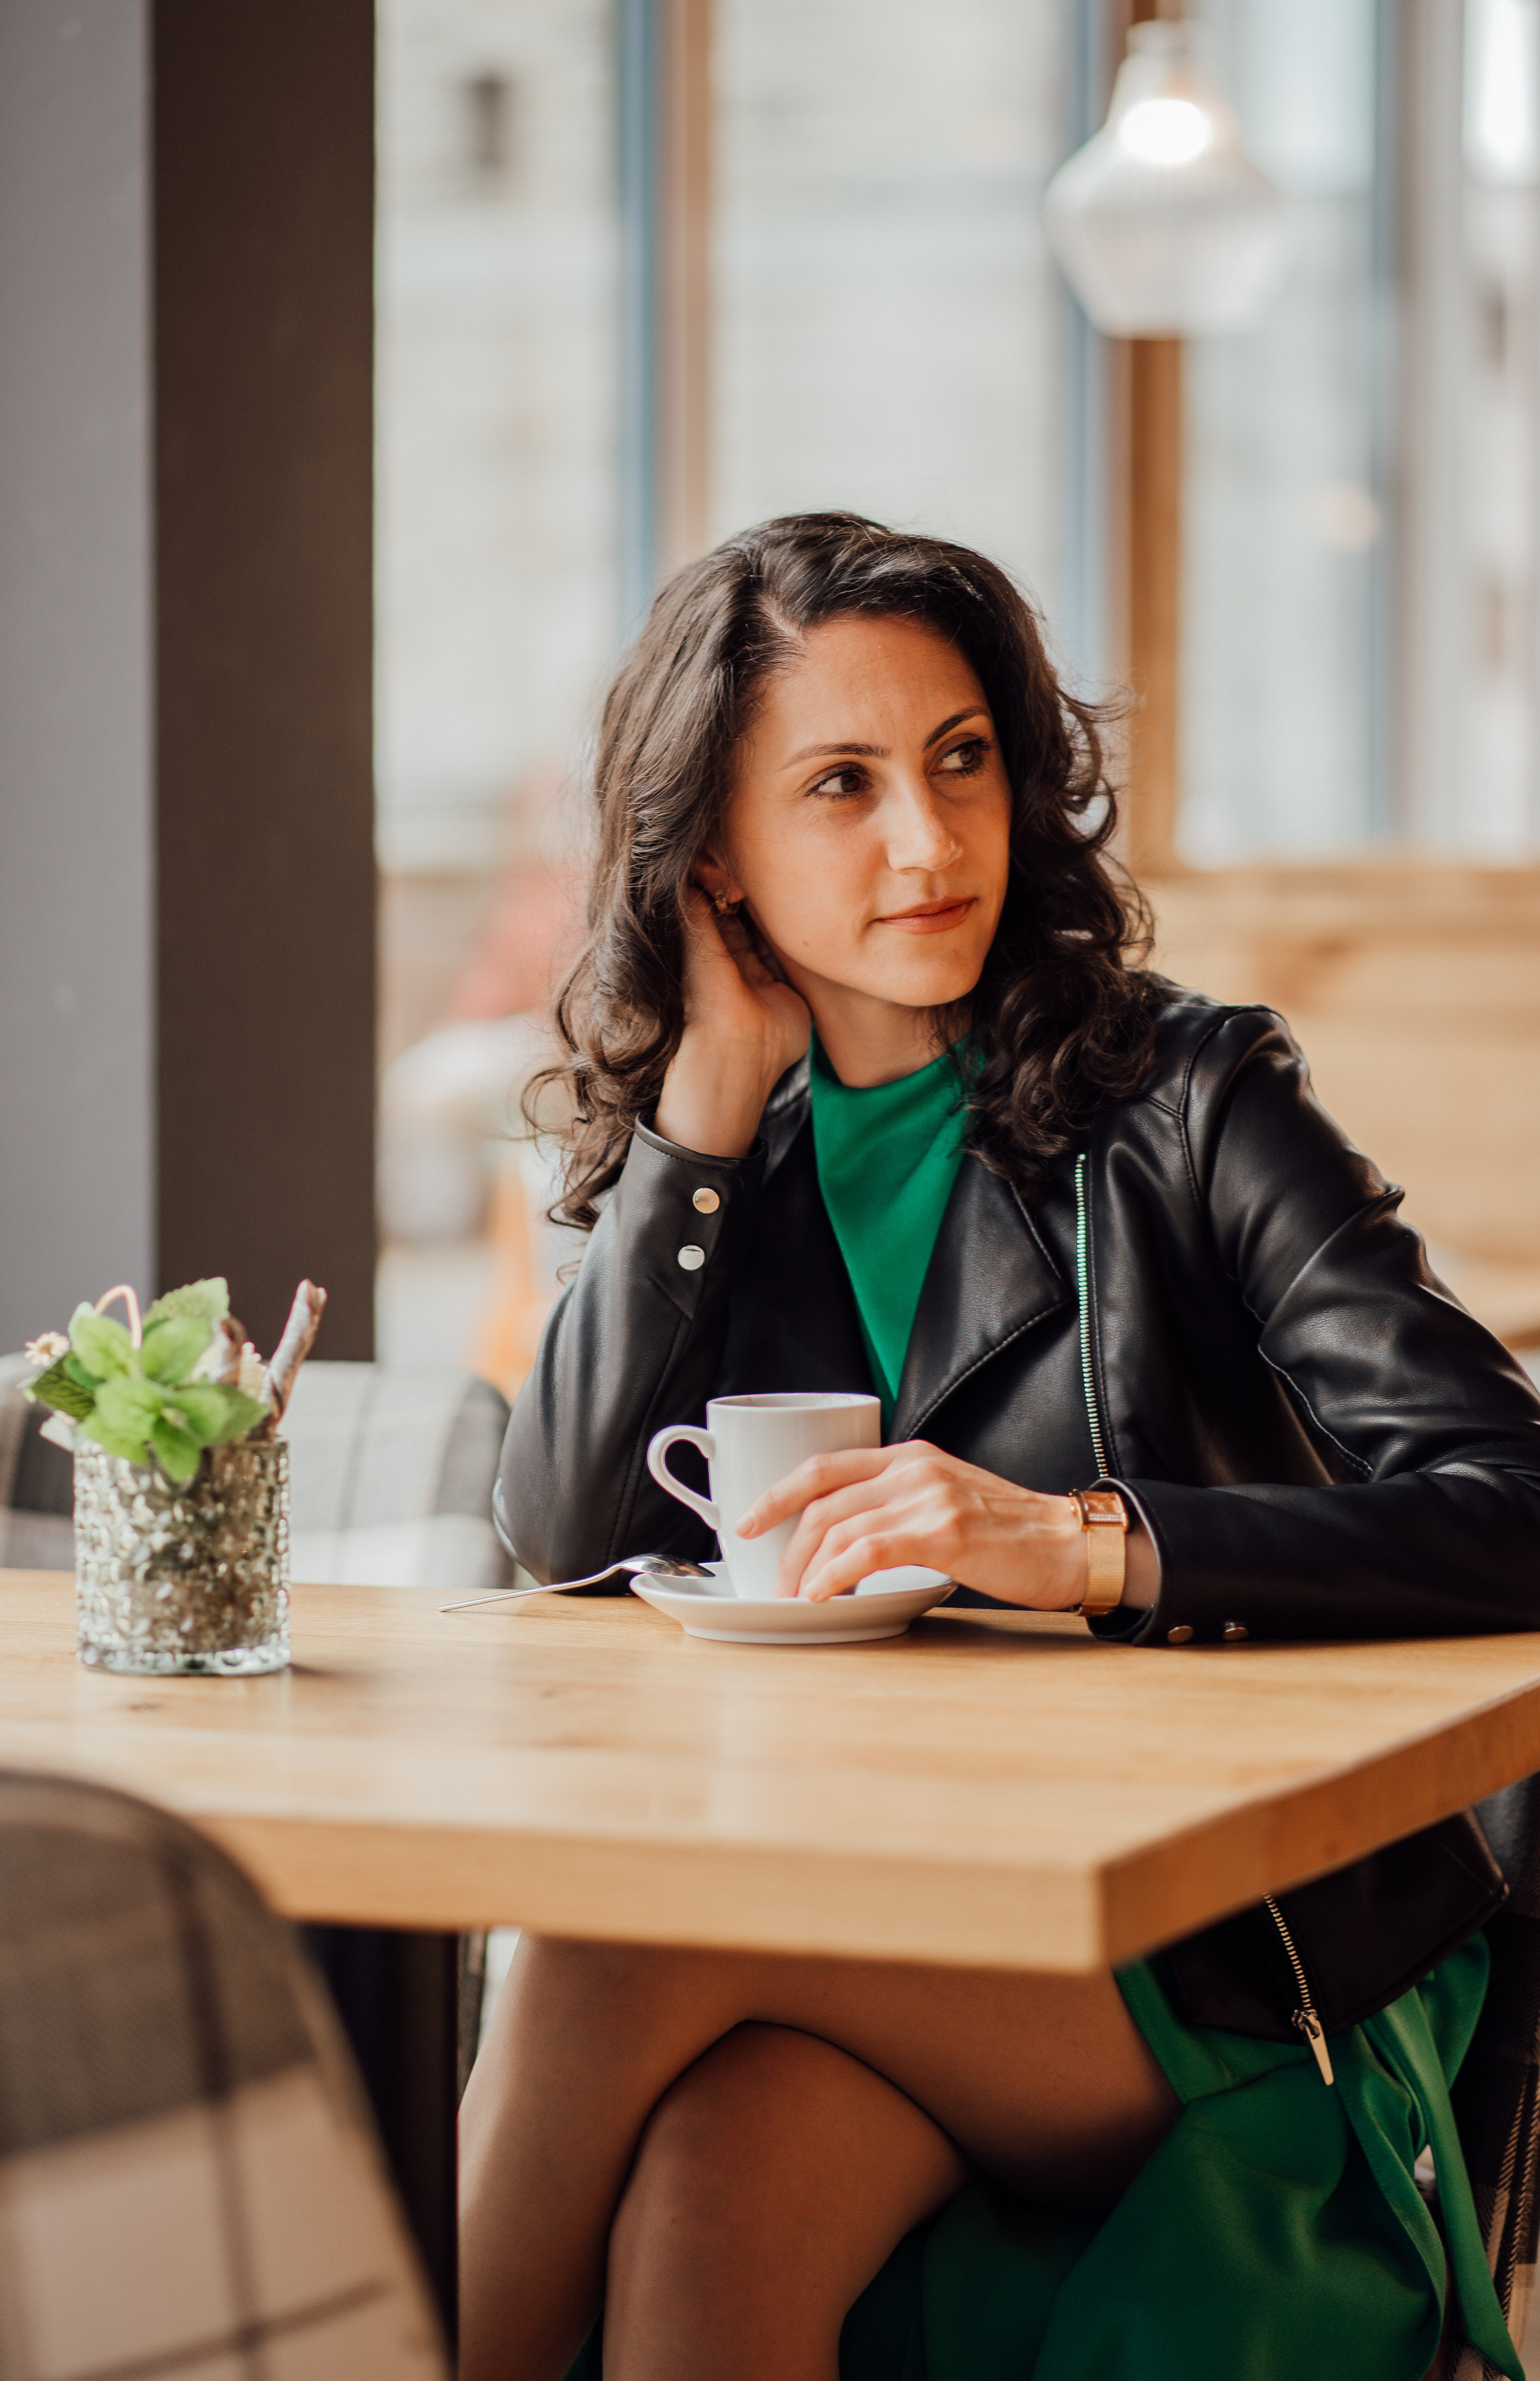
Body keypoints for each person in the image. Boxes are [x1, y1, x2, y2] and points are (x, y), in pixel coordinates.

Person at [461, 513, 1540, 2381]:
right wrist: (702, 1116)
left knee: (609, 1946)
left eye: (962, 762)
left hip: (1238, 1958)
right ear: (714, 855)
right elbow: (557, 1542)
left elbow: (1516, 1498)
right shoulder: (738, 1170)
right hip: (909, 1924)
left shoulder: (1191, 1102)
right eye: (843, 786)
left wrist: (1101, 1543)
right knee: (714, 2190)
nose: (928, 841)